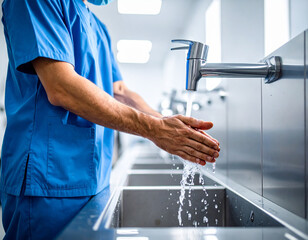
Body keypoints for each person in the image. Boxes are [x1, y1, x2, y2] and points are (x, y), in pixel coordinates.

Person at [0, 0, 220, 239]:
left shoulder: (98, 28)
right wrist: (156, 130)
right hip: (47, 181)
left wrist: (170, 125)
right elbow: (60, 86)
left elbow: (120, 92)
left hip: (96, 179)